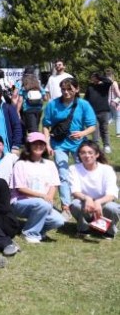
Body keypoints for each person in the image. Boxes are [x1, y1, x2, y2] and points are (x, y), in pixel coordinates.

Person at [43, 78, 97, 214]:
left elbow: (92, 126)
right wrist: (47, 144)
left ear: (77, 89)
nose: (66, 92)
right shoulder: (52, 104)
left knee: (84, 173)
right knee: (63, 174)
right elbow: (45, 125)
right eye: (63, 90)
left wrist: (82, 133)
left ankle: (86, 201)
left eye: (70, 89)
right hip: (59, 144)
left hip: (79, 145)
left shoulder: (84, 105)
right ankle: (66, 206)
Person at [10, 132, 65, 243]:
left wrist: (49, 198)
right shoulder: (20, 164)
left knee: (59, 220)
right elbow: (20, 188)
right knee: (42, 204)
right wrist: (42, 196)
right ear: (29, 146)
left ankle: (38, 229)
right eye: (35, 143)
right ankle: (30, 233)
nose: (38, 146)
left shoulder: (50, 164)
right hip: (21, 202)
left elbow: (53, 184)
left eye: (42, 144)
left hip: (43, 203)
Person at [68, 141, 119, 239]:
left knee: (113, 208)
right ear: (79, 154)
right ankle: (84, 229)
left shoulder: (107, 169)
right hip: (84, 203)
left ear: (97, 154)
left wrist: (99, 202)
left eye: (90, 152)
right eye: (83, 152)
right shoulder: (73, 168)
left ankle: (109, 231)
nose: (87, 155)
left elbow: (112, 193)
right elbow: (75, 191)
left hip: (104, 203)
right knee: (75, 205)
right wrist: (87, 198)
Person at [85, 72, 114, 153]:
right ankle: (95, 146)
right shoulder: (90, 87)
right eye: (92, 77)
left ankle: (106, 145)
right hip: (92, 112)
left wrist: (100, 77)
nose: (93, 78)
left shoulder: (104, 85)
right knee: (94, 130)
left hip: (104, 111)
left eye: (95, 77)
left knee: (104, 129)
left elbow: (109, 81)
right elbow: (86, 98)